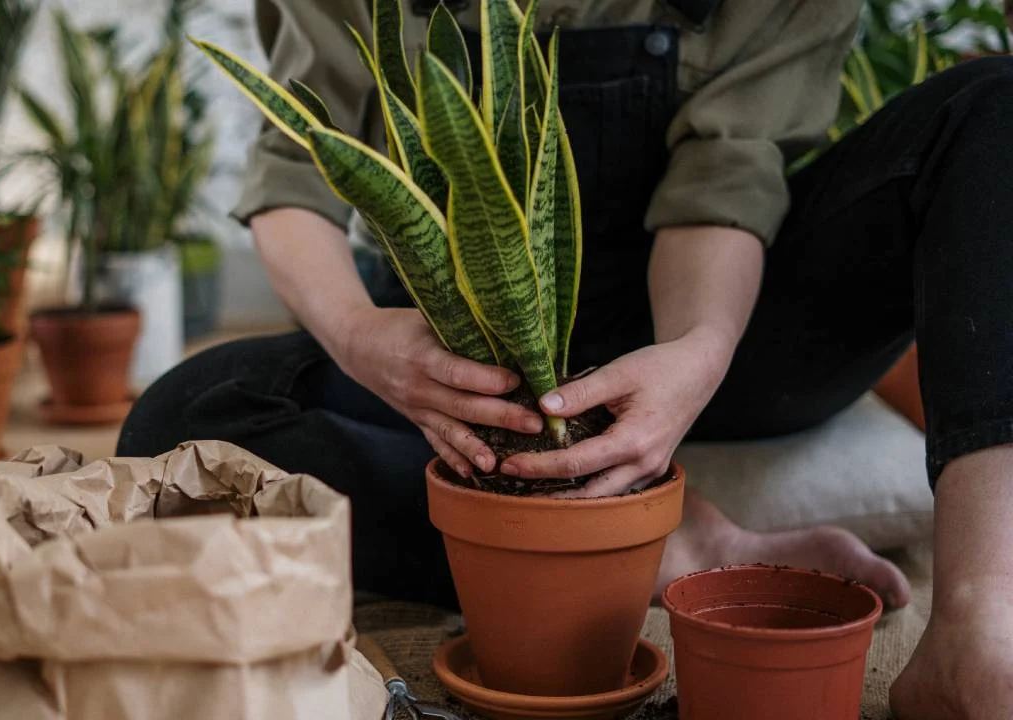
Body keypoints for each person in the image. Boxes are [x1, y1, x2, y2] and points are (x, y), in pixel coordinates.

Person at [118, 2, 1013, 717]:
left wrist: (696, 354)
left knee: (993, 109)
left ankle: (981, 622)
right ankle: (663, 541)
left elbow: (725, 180)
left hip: (729, 326)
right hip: (474, 363)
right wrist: (361, 337)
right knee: (183, 419)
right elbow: (296, 173)